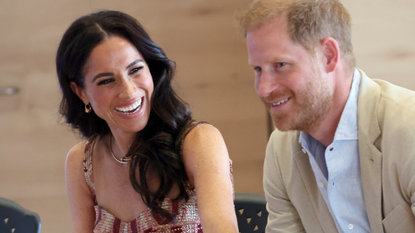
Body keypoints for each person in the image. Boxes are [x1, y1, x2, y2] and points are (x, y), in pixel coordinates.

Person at [238, 0, 415, 232]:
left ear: (328, 55)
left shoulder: (408, 128)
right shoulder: (280, 152)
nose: (264, 89)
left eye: (280, 65)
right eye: (258, 70)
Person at [56, 10, 238, 233]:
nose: (129, 91)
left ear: (151, 68)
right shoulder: (82, 164)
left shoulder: (198, 142)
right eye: (106, 81)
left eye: (135, 70)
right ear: (81, 92)